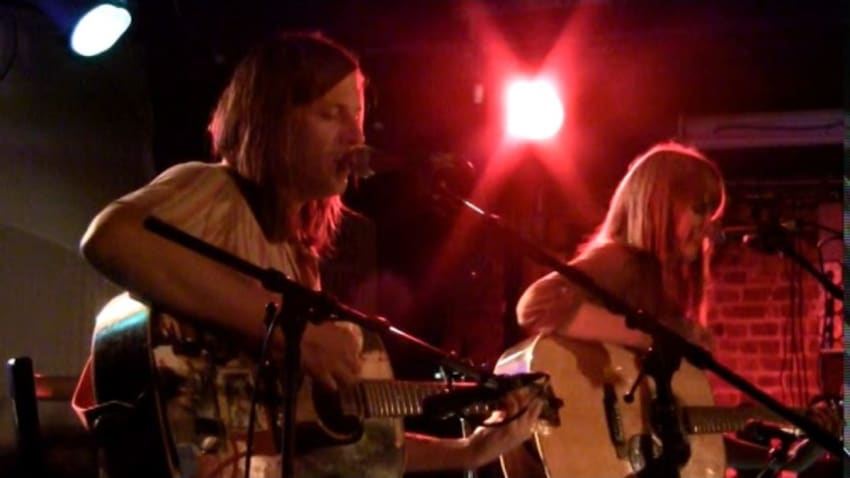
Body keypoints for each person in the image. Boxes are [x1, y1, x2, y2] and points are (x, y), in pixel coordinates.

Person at [75, 31, 543, 475]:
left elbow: (330, 449)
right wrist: (284, 331)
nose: (354, 134)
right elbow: (110, 237)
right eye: (330, 113)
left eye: (356, 115)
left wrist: (470, 450)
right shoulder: (216, 190)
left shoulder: (300, 261)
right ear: (273, 121)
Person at [514, 141, 825, 475]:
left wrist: (786, 458)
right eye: (700, 208)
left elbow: (687, 435)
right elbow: (535, 307)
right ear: (658, 205)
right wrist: (654, 337)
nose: (709, 226)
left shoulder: (663, 287)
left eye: (712, 213)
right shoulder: (624, 261)